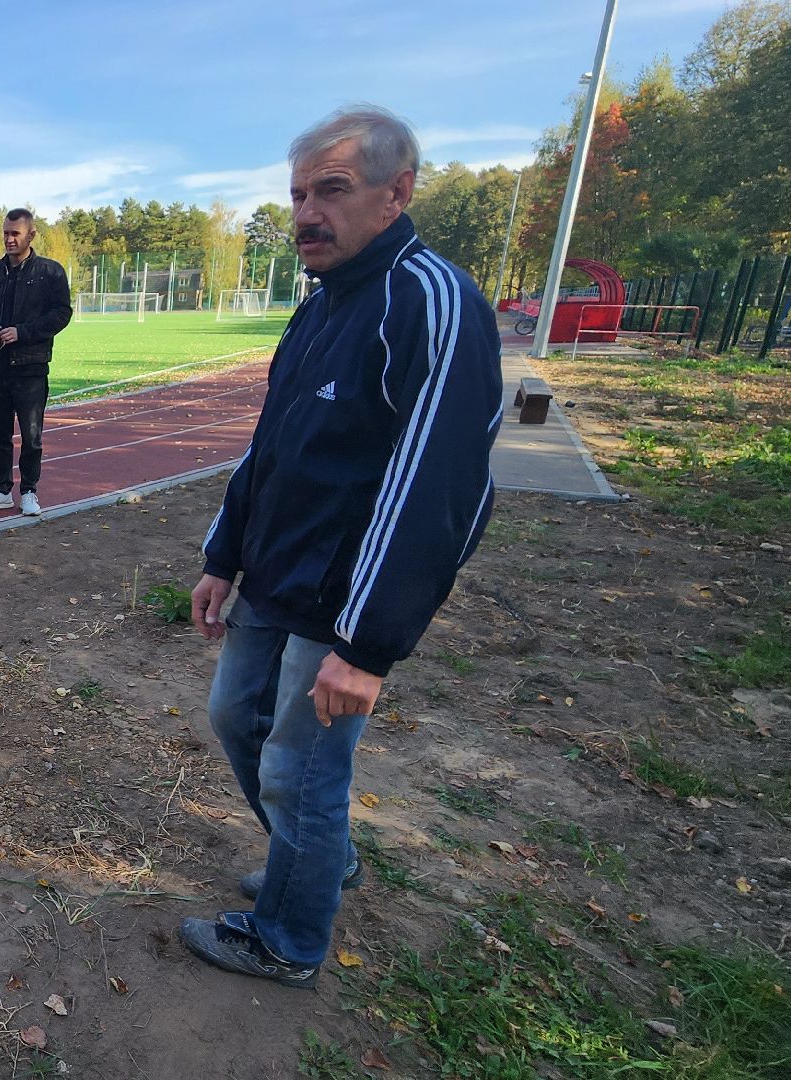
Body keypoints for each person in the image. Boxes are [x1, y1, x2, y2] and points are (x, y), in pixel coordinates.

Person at [179, 106, 503, 988]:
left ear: (396, 195)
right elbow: (272, 444)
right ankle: (320, 856)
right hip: (275, 581)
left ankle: (287, 937)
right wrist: (222, 555)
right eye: (297, 196)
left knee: (300, 768)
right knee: (236, 723)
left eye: (332, 190)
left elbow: (441, 487)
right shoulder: (320, 306)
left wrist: (367, 647)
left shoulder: (430, 299)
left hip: (343, 603)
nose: (307, 214)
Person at [0, 207, 73, 517]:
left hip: (31, 368)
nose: (9, 238)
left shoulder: (50, 272)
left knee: (32, 435)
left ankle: (29, 490)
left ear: (31, 234)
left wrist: (24, 332)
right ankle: (2, 489)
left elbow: (61, 313)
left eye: (15, 233)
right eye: (5, 232)